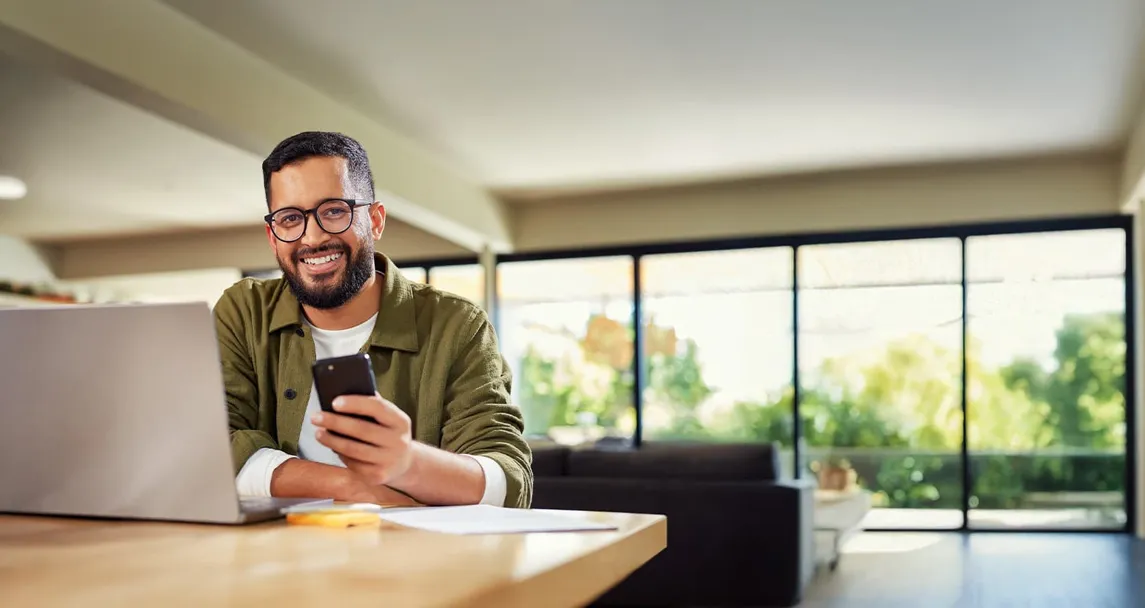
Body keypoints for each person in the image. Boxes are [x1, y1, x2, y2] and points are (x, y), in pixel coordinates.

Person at [214, 130, 532, 508]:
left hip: (409, 561)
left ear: (375, 220)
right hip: (273, 559)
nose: (312, 237)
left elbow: (509, 482)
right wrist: (353, 488)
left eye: (334, 211)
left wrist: (409, 463)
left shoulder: (458, 325)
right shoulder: (243, 311)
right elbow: (213, 444)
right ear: (272, 235)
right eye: (290, 218)